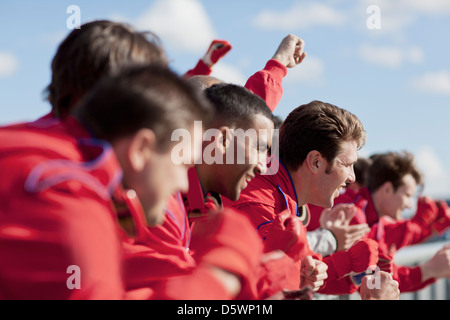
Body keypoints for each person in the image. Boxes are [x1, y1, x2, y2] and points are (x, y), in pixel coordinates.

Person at [0, 65, 264, 300]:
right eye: (181, 164)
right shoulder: (70, 200)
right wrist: (226, 268)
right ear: (141, 148)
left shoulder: (54, 165)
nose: (184, 184)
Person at [225, 100, 400, 299]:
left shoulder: (277, 193)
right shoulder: (262, 206)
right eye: (347, 164)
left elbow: (298, 275)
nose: (352, 177)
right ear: (315, 162)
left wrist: (352, 269)